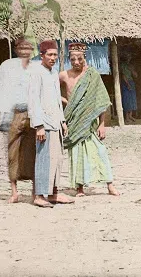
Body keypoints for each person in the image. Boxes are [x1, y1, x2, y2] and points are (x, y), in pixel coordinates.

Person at [60, 43, 119, 197]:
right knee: (77, 154)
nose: (76, 62)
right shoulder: (64, 75)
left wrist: (102, 124)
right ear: (69, 59)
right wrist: (67, 102)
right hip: (73, 121)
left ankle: (110, 184)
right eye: (73, 59)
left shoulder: (93, 75)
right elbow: (49, 89)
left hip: (90, 123)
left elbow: (101, 101)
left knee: (100, 151)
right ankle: (79, 188)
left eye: (79, 58)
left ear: (84, 58)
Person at [26, 40, 75, 208]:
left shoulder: (54, 73)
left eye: (55, 55)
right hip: (44, 123)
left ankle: (53, 193)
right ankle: (39, 195)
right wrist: (38, 125)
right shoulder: (36, 72)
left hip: (56, 122)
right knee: (44, 158)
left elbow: (56, 99)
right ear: (42, 55)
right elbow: (33, 100)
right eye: (50, 55)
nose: (53, 58)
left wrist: (62, 121)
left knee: (57, 159)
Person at [0, 36, 38, 204]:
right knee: (12, 152)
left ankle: (34, 192)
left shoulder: (38, 67)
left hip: (33, 114)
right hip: (12, 114)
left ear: (33, 50)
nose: (25, 51)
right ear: (16, 49)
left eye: (28, 48)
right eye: (21, 47)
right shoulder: (7, 66)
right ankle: (14, 192)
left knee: (33, 151)